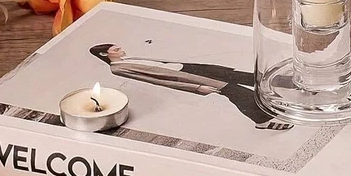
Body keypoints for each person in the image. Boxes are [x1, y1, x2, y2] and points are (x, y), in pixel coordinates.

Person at [88, 44, 292, 130]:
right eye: (115, 49)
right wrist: (196, 88)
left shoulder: (128, 59)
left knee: (242, 75)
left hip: (189, 67)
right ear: (105, 54)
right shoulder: (119, 68)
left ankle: (290, 83)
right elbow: (158, 79)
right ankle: (262, 121)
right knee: (235, 90)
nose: (121, 49)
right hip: (190, 77)